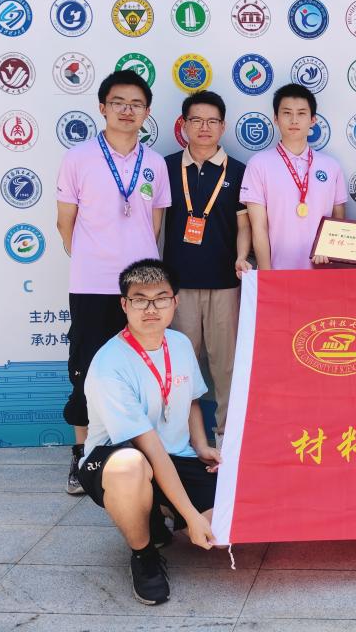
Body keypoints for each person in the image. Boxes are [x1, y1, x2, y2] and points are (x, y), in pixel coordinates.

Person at [77, 259, 219, 605]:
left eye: (160, 298)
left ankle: (156, 511)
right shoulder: (110, 363)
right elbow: (150, 448)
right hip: (116, 459)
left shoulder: (179, 343)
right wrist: (190, 516)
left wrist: (201, 446)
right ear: (124, 305)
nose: (151, 308)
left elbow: (192, 400)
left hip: (173, 456)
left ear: (175, 301)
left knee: (225, 526)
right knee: (132, 466)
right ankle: (144, 556)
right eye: (140, 299)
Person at [57, 70, 171, 495]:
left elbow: (154, 224)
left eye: (136, 104)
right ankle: (82, 454)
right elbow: (65, 222)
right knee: (86, 368)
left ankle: (138, 452)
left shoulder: (155, 163)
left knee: (142, 368)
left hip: (142, 288)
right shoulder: (79, 158)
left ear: (147, 112)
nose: (127, 110)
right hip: (92, 283)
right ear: (102, 107)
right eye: (119, 102)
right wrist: (94, 258)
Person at [164, 90, 251, 450]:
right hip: (178, 285)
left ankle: (228, 440)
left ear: (223, 127)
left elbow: (244, 225)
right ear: (183, 124)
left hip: (225, 284)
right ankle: (180, 440)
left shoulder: (240, 171)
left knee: (226, 366)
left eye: (212, 121)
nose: (204, 127)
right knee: (180, 368)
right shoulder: (166, 167)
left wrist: (242, 256)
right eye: (196, 120)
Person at [240, 84, 347, 269]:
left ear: (313, 120)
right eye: (287, 113)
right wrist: (267, 276)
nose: (294, 120)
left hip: (322, 273)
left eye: (302, 113)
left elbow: (339, 222)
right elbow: (259, 227)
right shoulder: (258, 164)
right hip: (278, 272)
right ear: (276, 118)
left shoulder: (331, 166)